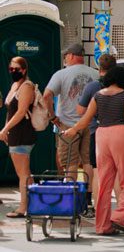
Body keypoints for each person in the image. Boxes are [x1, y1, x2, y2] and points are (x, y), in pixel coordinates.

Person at [64, 67, 124, 235]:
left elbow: (85, 119)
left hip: (101, 135)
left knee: (104, 182)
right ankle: (118, 217)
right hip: (121, 133)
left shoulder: (97, 95)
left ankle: (102, 226)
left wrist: (73, 130)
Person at [43, 43, 99, 186]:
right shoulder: (95, 73)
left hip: (67, 125)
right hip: (90, 124)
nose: (65, 59)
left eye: (65, 56)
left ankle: (72, 195)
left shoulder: (61, 74)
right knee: (88, 162)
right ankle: (88, 195)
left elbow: (46, 96)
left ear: (71, 56)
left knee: (70, 162)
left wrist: (52, 116)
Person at [77, 53, 117, 213]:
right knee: (116, 170)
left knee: (96, 169)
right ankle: (121, 207)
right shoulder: (122, 86)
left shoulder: (92, 86)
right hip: (118, 131)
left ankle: (97, 205)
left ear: (99, 67)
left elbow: (80, 110)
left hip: (96, 131)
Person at [1, 57, 37, 218]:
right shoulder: (15, 85)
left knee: (22, 173)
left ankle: (23, 207)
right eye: (11, 69)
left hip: (22, 133)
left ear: (24, 69)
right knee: (25, 172)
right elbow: (10, 111)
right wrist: (7, 129)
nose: (14, 72)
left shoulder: (26, 86)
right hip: (15, 133)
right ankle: (35, 203)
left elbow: (21, 111)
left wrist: (5, 129)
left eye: (17, 69)